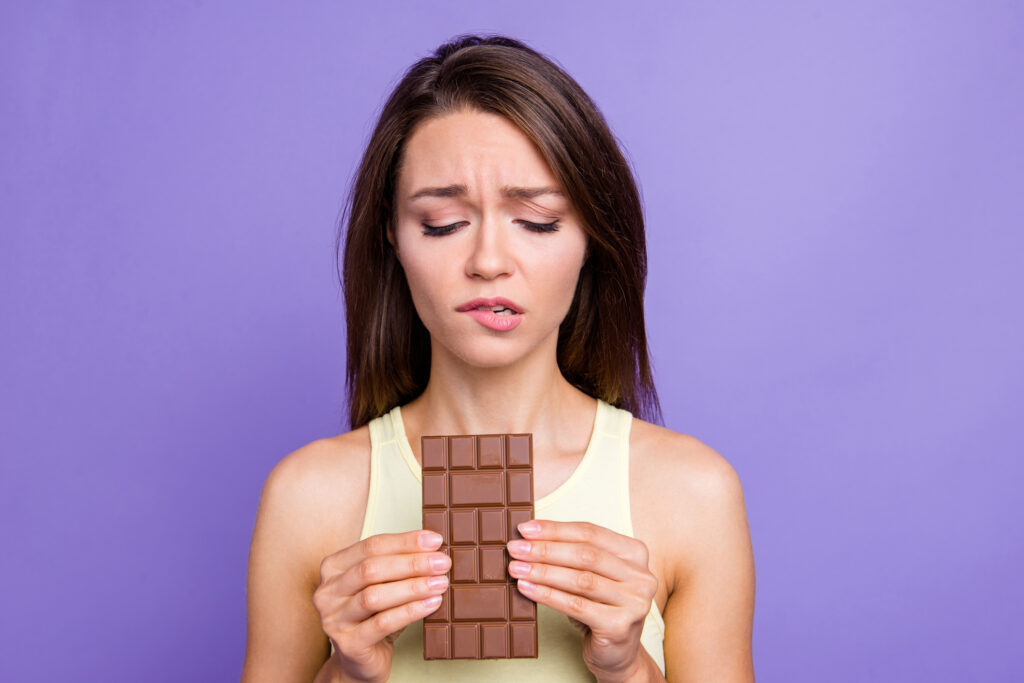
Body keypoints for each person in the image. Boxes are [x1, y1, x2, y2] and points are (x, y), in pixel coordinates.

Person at [242, 34, 755, 682]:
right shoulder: (307, 498)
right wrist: (346, 672)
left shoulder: (694, 494)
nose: (488, 261)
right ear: (392, 238)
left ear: (592, 239)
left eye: (537, 221)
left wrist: (628, 668)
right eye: (442, 223)